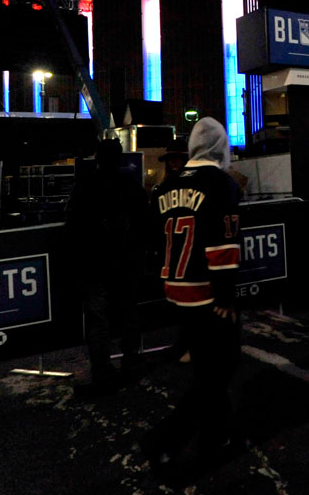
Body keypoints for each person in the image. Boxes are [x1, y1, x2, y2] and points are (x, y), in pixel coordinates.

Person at [140, 118, 243, 475]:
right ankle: (165, 438)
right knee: (219, 369)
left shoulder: (164, 188)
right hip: (206, 291)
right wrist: (226, 297)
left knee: (207, 366)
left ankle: (219, 435)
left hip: (176, 287)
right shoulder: (222, 184)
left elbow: (154, 242)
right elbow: (222, 248)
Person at [66, 138, 152, 397]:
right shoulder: (132, 186)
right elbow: (144, 224)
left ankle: (102, 370)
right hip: (126, 263)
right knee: (128, 313)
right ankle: (131, 361)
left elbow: (73, 227)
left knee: (98, 319)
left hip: (94, 266)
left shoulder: (84, 187)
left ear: (97, 158)